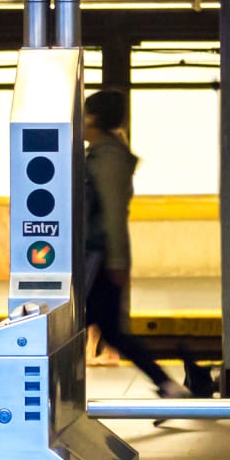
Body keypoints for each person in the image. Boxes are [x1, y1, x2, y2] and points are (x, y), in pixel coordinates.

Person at [82, 89, 193, 400]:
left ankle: (168, 384)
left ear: (92, 118)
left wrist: (118, 260)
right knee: (110, 328)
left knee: (77, 325)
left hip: (99, 259)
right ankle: (168, 385)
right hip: (98, 257)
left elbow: (113, 213)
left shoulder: (108, 158)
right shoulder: (102, 154)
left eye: (83, 113)